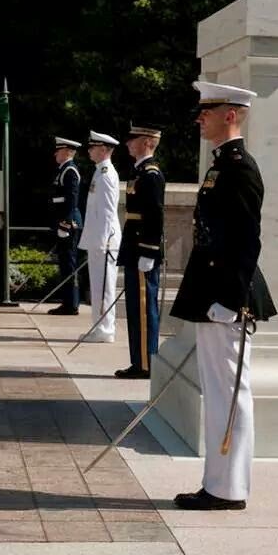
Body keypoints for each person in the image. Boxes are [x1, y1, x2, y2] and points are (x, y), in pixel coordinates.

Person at [171, 81, 276, 511]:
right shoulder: (221, 166)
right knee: (217, 394)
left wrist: (232, 301)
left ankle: (228, 488)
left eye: (208, 111)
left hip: (227, 297)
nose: (201, 117)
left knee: (230, 393)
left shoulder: (240, 168)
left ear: (230, 114)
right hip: (212, 290)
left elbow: (247, 240)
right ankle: (218, 482)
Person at [114, 124, 165, 378]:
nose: (128, 143)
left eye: (133, 139)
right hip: (134, 249)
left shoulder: (151, 174)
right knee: (135, 309)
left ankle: (146, 365)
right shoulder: (139, 172)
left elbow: (154, 216)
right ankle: (139, 361)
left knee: (145, 309)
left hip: (143, 251)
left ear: (146, 142)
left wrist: (149, 251)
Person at [78, 131, 121, 342]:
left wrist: (103, 240)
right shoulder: (99, 172)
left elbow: (107, 211)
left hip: (104, 240)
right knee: (97, 286)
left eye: (93, 147)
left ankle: (105, 330)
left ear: (104, 150)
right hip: (98, 239)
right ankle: (99, 326)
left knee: (104, 287)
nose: (89, 150)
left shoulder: (106, 173)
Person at [48, 137, 82, 315]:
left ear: (68, 152)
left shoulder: (69, 171)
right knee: (65, 263)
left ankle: (72, 303)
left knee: (69, 264)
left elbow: (71, 200)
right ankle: (67, 301)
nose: (55, 153)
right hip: (62, 223)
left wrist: (65, 224)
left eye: (59, 150)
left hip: (68, 224)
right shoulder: (62, 170)